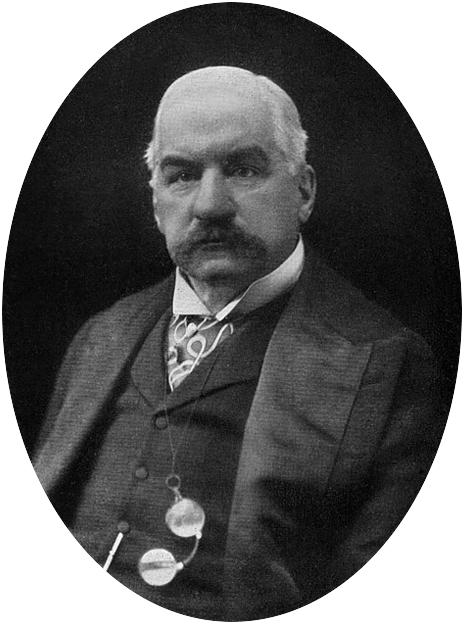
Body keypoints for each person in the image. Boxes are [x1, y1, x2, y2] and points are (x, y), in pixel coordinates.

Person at [31, 66, 450, 624]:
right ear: (155, 203)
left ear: (304, 191)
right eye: (182, 175)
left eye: (243, 169)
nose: (210, 205)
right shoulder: (99, 337)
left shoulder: (389, 365)